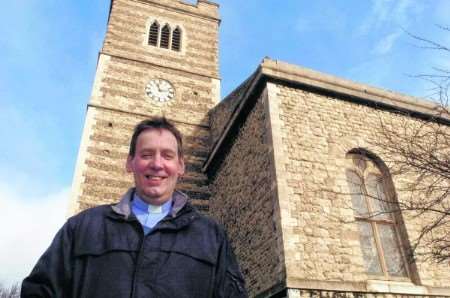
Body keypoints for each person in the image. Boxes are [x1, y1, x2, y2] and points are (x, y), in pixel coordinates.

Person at [21, 117, 248, 298]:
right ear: (130, 162)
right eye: (146, 154)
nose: (157, 164)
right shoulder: (82, 227)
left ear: (181, 166)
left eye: (167, 156)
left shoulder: (211, 237)